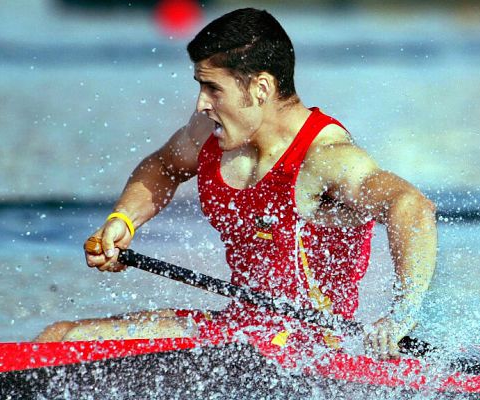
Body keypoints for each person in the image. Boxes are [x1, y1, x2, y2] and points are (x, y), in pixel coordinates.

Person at [36, 8, 437, 360]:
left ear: (260, 88)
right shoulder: (209, 135)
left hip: (312, 350)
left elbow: (410, 206)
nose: (201, 104)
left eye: (213, 88)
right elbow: (164, 166)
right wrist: (123, 219)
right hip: (239, 332)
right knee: (58, 337)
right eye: (200, 86)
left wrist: (403, 313)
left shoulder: (326, 156)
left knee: (64, 340)